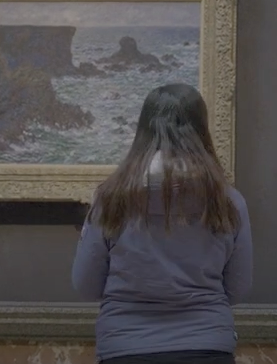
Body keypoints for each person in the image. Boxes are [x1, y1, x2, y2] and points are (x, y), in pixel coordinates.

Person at [71, 83, 253, 364]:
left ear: (143, 130)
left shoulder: (110, 199)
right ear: (201, 131)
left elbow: (85, 285)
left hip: (125, 347)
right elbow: (238, 288)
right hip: (207, 346)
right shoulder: (228, 201)